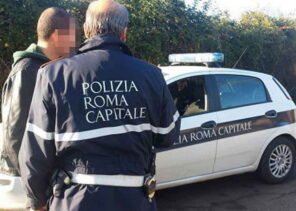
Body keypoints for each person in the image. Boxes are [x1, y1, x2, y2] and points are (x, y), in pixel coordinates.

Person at [18, 0, 180, 210]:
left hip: (75, 201)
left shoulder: (53, 75)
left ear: (86, 30)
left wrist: (37, 201)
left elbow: (35, 151)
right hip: (134, 201)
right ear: (124, 33)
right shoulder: (151, 75)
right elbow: (168, 135)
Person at [0, 7, 76, 176]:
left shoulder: (51, 69)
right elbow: (15, 131)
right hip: (23, 179)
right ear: (57, 36)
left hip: (42, 175)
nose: (73, 44)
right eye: (71, 36)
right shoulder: (26, 71)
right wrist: (29, 182)